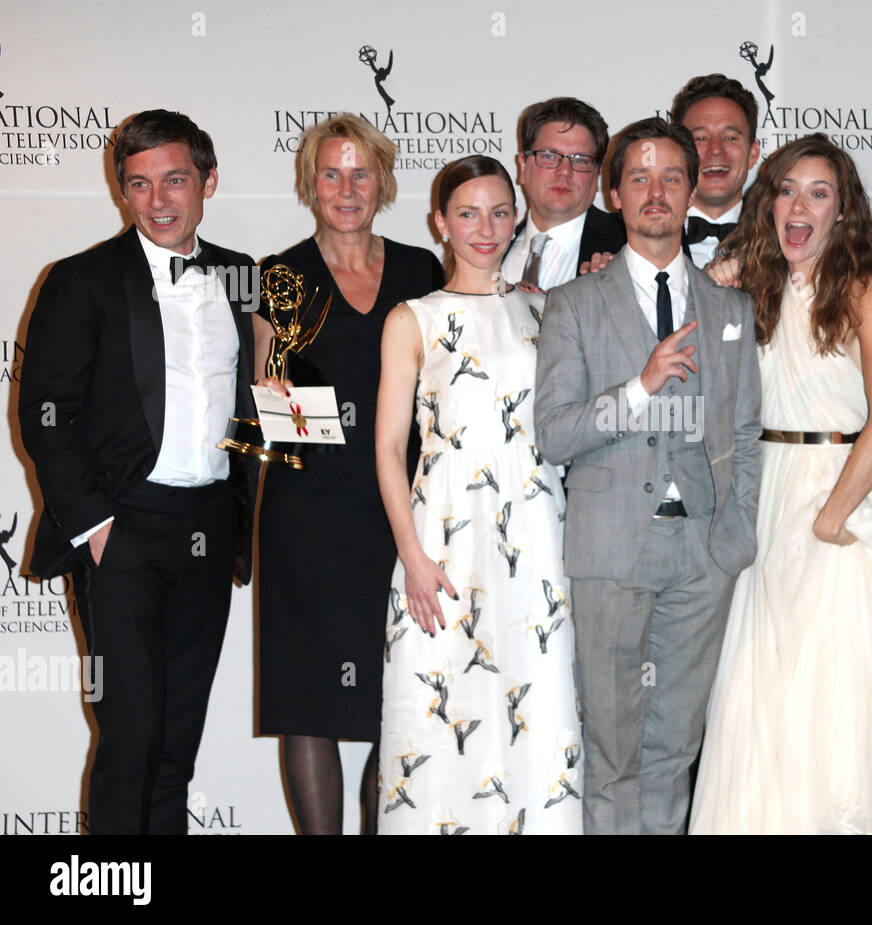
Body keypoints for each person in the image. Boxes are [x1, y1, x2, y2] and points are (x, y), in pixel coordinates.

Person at [18, 110, 259, 834]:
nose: (157, 201)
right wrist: (96, 526)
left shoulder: (245, 278)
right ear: (123, 191)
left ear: (208, 182)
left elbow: (268, 394)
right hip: (121, 530)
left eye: (174, 180)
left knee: (176, 744)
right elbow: (45, 413)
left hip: (208, 531)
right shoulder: (81, 280)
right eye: (139, 184)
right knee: (131, 737)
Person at [688, 133, 872, 835]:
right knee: (754, 702)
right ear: (767, 202)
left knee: (844, 715)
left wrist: (831, 514)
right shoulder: (747, 287)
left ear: (843, 212)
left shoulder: (863, 287)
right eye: (787, 189)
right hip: (765, 500)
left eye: (819, 193)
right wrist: (715, 283)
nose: (800, 205)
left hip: (845, 507)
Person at [535, 118, 762, 835]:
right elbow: (554, 433)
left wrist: (735, 538)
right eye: (639, 176)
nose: (656, 192)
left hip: (703, 557)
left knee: (673, 750)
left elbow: (747, 432)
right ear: (615, 191)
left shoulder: (732, 307)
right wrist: (639, 387)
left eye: (671, 177)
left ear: (694, 190)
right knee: (612, 750)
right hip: (610, 551)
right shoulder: (573, 304)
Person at [374, 155, 580, 835]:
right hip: (444, 543)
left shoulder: (546, 310)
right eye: (467, 213)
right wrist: (413, 556)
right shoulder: (413, 318)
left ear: (516, 216)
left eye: (498, 212)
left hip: (538, 537)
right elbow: (387, 447)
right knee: (440, 708)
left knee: (537, 704)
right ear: (439, 222)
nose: (485, 228)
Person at [253, 114, 444, 835]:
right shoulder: (284, 276)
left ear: (384, 181)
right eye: (331, 173)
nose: (346, 187)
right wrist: (345, 416)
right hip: (307, 515)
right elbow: (274, 408)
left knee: (396, 694)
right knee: (309, 701)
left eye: (360, 172)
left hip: (401, 517)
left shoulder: (423, 270)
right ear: (310, 184)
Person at [500, 97, 625, 290]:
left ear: (597, 174)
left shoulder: (628, 246)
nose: (565, 171)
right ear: (523, 167)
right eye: (549, 156)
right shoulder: (492, 246)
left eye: (580, 160)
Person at [669, 74, 761, 267]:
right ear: (678, 153)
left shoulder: (781, 243)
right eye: (701, 138)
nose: (716, 150)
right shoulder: (628, 240)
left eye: (730, 138)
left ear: (753, 154)